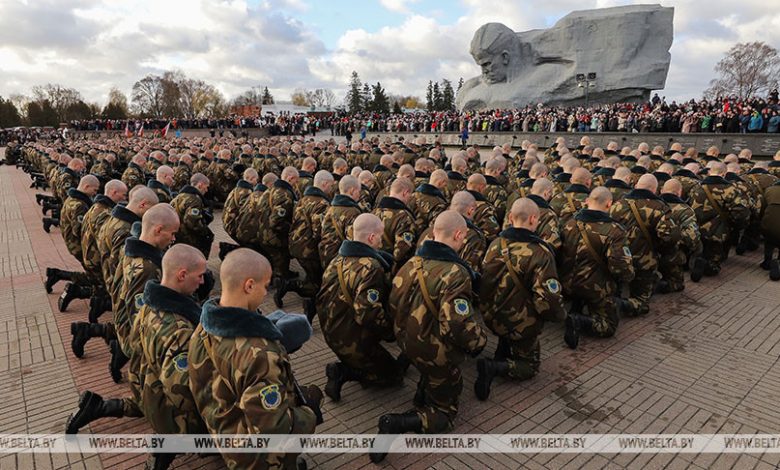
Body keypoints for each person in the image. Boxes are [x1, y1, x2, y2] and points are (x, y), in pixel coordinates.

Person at [189, 249, 322, 470]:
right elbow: (274, 428)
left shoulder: (204, 325)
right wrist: (308, 413)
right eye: (265, 285)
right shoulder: (260, 355)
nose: (265, 292)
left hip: (222, 427)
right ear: (249, 286)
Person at [373, 211, 486, 463]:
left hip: (407, 344)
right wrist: (477, 343)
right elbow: (457, 324)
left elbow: (393, 304)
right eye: (464, 237)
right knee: (445, 414)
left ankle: (423, 393)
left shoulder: (410, 263)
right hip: (434, 352)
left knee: (431, 373)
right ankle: (398, 423)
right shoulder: (456, 273)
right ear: (458, 234)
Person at [475, 198, 565, 400]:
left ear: (509, 218)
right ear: (534, 219)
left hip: (493, 315)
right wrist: (558, 316)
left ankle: (504, 347)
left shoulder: (496, 244)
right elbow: (548, 298)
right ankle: (494, 367)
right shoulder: (540, 252)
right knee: (530, 366)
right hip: (522, 322)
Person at [134, 244, 208, 470]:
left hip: (147, 390)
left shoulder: (149, 305)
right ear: (182, 275)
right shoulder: (177, 329)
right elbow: (185, 394)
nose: (203, 282)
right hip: (168, 412)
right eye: (200, 276)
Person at [318, 214, 404, 402]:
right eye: (380, 236)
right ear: (372, 238)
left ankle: (354, 363)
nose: (381, 242)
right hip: (349, 337)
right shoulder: (372, 267)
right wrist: (391, 332)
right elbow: (367, 312)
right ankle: (344, 371)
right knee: (394, 375)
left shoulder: (337, 260)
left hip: (330, 328)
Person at [560, 187, 635, 348]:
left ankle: (576, 305)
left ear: (587, 201)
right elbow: (620, 268)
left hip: (567, 283)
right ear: (609, 204)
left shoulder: (569, 224)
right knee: (608, 326)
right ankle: (578, 320)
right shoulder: (614, 231)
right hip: (595, 288)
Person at [609, 174, 678, 316]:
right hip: (645, 262)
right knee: (642, 303)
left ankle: (612, 297)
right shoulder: (660, 208)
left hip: (618, 259)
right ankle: (621, 304)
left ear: (636, 186)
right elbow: (670, 237)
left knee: (617, 281)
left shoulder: (618, 205)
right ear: (655, 189)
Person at [285, 170, 335, 320]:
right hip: (307, 249)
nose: (331, 189)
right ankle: (293, 289)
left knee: (312, 276)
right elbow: (318, 232)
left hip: (297, 243)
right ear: (324, 184)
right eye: (330, 186)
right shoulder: (321, 203)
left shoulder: (304, 198)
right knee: (318, 283)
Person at [46, 174, 100, 311]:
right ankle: (75, 291)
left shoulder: (73, 199)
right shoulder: (79, 205)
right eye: (94, 190)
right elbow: (81, 231)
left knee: (94, 276)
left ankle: (58, 274)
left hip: (75, 246)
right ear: (86, 186)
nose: (96, 193)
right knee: (98, 279)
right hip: (81, 248)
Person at [688, 162, 750, 280]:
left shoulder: (696, 187)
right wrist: (735, 224)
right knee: (715, 255)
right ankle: (709, 267)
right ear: (724, 174)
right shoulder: (730, 189)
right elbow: (741, 211)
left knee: (699, 248)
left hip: (697, 227)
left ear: (710, 172)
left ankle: (697, 261)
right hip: (719, 229)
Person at [658, 179, 701, 292]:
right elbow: (692, 238)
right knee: (678, 284)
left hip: (648, 252)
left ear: (662, 190)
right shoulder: (686, 210)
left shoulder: (651, 205)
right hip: (672, 254)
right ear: (679, 192)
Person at [372, 177, 418, 273]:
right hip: (391, 269)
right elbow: (402, 250)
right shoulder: (404, 217)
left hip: (372, 266)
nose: (410, 198)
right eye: (410, 194)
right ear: (405, 192)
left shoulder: (374, 212)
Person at [319, 175, 364, 270]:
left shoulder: (330, 207)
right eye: (358, 191)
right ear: (352, 190)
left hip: (325, 251)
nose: (359, 195)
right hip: (340, 257)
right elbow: (353, 241)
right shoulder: (352, 212)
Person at [170, 173, 214, 258]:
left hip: (177, 233)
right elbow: (192, 223)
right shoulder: (194, 200)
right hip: (186, 236)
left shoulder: (180, 196)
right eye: (206, 186)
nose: (207, 190)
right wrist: (204, 229)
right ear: (200, 185)